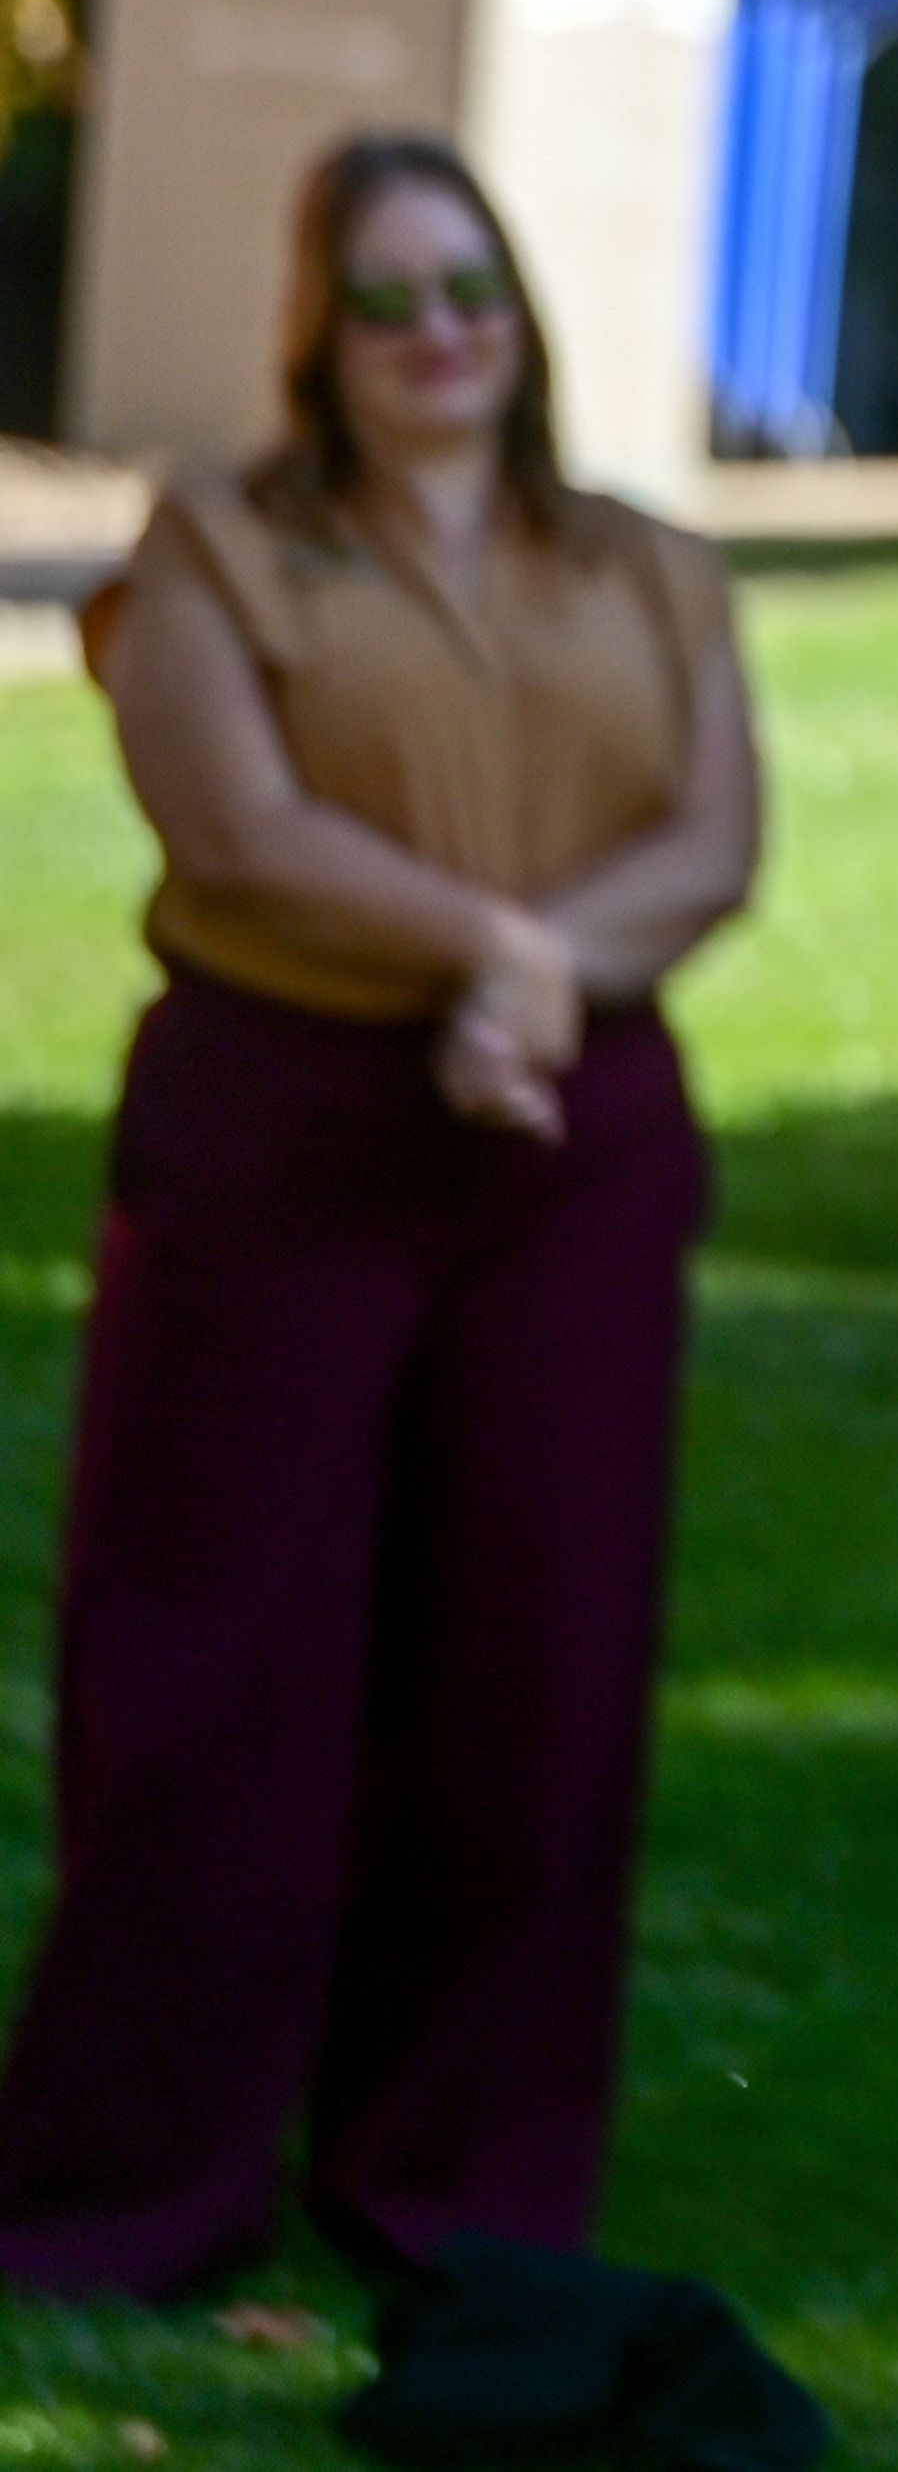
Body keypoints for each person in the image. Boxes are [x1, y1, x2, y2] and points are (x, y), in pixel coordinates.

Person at [0, 135, 761, 2297]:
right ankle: (123, 2196)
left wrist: (531, 985)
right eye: (390, 299)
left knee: (536, 1673)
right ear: (316, 337)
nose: (439, 337)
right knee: (215, 1674)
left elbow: (710, 840)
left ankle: (462, 2191)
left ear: (522, 323)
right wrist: (497, 954)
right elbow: (231, 827)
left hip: (567, 1149)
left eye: (472, 294)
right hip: (281, 1134)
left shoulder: (646, 564)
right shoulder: (217, 549)